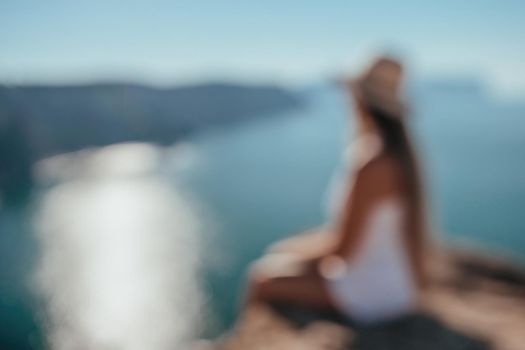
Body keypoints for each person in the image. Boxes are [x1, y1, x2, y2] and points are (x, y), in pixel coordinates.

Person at [245, 56, 429, 324]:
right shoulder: (398, 157)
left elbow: (343, 251)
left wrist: (293, 252)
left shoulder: (373, 164)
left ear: (360, 102)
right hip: (395, 285)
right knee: (278, 263)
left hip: (372, 291)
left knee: (260, 278)